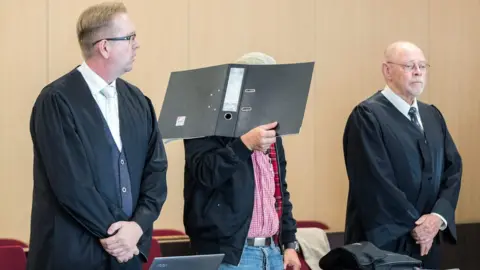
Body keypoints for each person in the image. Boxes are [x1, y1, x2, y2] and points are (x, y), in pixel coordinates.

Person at [27, 2, 168, 269]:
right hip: (74, 255)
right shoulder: (56, 100)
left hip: (126, 254)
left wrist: (137, 227)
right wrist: (118, 236)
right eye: (130, 38)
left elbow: (156, 170)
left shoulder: (138, 100)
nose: (137, 44)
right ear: (105, 47)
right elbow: (72, 184)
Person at [342, 41, 462, 269]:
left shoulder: (432, 115)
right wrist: (417, 227)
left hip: (428, 243)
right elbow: (375, 183)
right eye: (409, 66)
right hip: (383, 245)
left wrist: (438, 217)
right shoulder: (367, 116)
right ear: (387, 71)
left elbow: (453, 169)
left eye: (422, 66)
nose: (418, 72)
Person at [182, 52, 302, 270]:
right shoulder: (206, 124)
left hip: (272, 252)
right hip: (231, 256)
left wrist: (289, 243)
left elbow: (278, 190)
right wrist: (244, 144)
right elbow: (205, 173)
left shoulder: (272, 131)